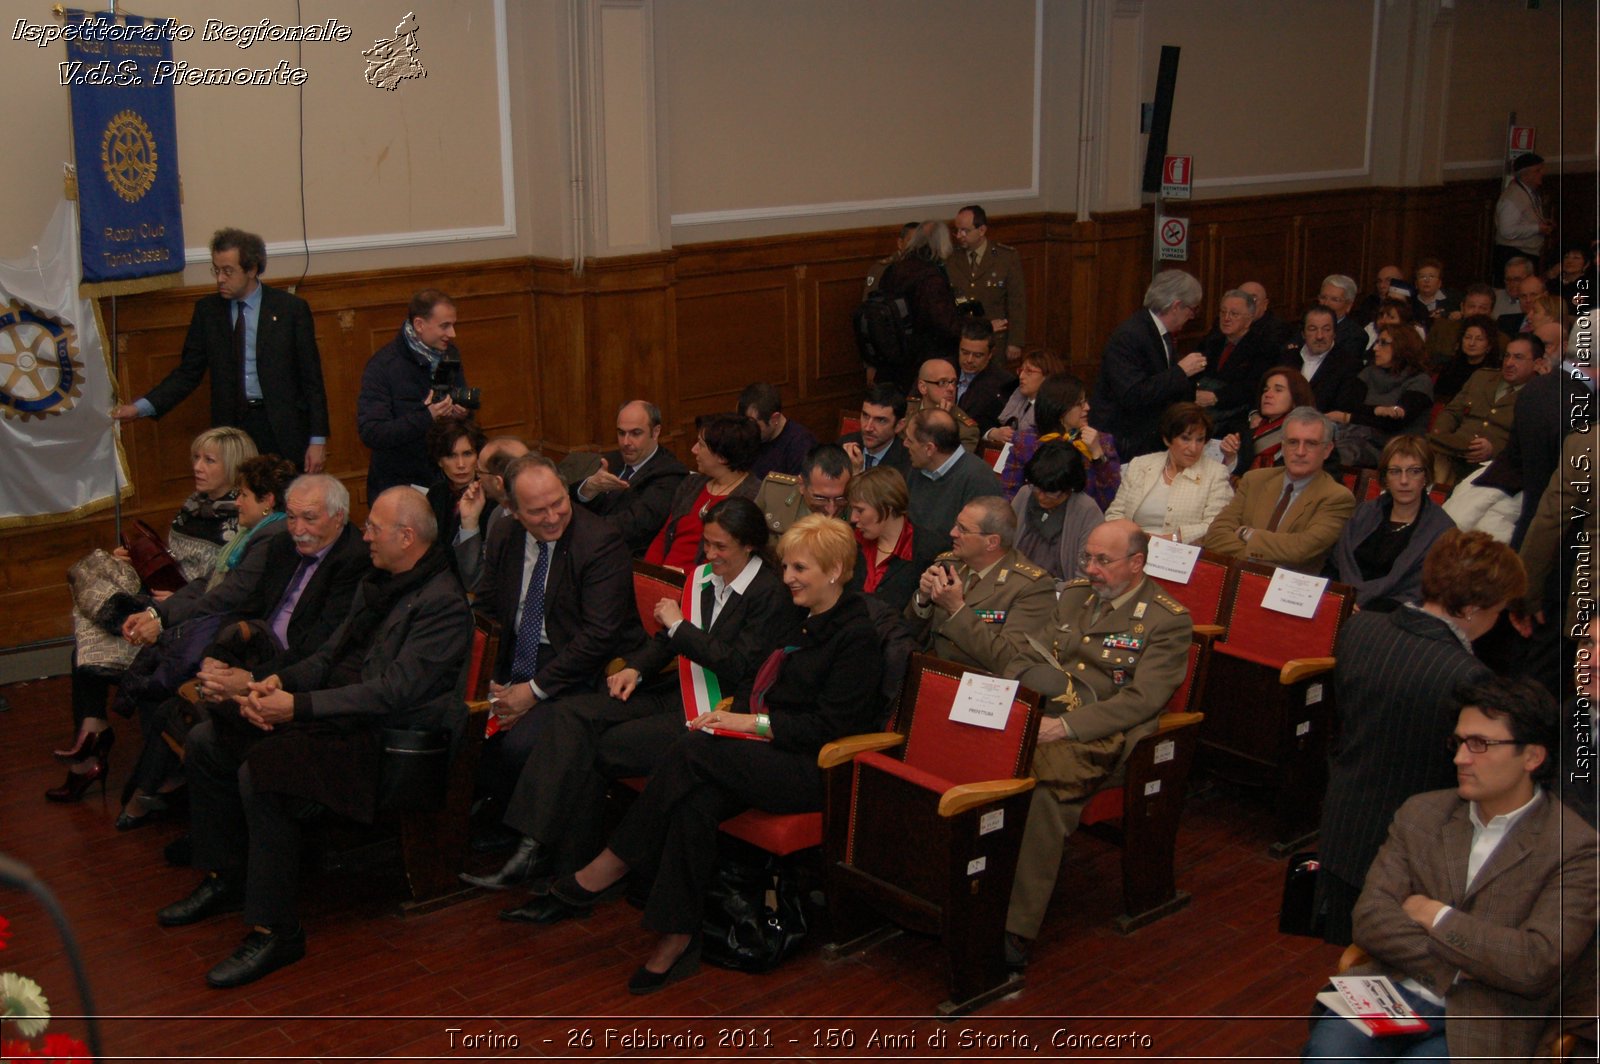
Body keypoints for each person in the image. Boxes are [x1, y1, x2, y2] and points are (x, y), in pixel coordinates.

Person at [542, 515, 883, 993]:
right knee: (694, 799)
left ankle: (614, 862)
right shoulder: (799, 615)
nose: (786, 578)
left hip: (813, 769)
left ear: (835, 571)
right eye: (785, 566)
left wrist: (747, 723)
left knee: (694, 751)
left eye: (799, 569)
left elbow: (829, 730)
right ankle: (677, 939)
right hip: (767, 751)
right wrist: (738, 717)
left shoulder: (855, 637)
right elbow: (758, 681)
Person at [155, 486, 473, 989]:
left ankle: (276, 929)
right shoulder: (380, 580)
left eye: (374, 527)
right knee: (210, 740)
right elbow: (328, 656)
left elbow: (391, 694)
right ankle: (225, 875)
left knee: (266, 774)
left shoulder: (441, 605)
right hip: (331, 714)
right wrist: (277, 683)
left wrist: (295, 708)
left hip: (380, 740)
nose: (364, 534)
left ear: (406, 537)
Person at [467, 497, 801, 905]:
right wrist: (637, 669)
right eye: (707, 545)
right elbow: (667, 641)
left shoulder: (769, 593)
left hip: (717, 709)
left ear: (749, 545)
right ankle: (533, 844)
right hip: (671, 690)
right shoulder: (706, 579)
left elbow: (735, 664)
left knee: (600, 745)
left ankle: (568, 864)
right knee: (572, 714)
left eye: (720, 547)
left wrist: (678, 625)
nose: (709, 555)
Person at [1303, 678, 1595, 1062]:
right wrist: (1462, 967)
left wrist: (1435, 915)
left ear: (1532, 757)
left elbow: (1534, 963)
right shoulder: (1422, 813)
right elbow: (1372, 918)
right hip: (1394, 989)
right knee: (1329, 1053)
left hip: (1489, 1017)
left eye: (1480, 744)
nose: (1460, 758)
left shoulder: (1574, 847)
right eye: (1458, 743)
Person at [114, 473, 373, 830]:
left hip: (294, 674)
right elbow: (244, 603)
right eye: (292, 517)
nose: (298, 528)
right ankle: (163, 804)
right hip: (258, 651)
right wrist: (218, 656)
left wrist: (250, 678)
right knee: (174, 708)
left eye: (310, 518)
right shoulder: (283, 545)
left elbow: (319, 648)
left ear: (339, 517)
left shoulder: (354, 560)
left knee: (205, 727)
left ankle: (172, 810)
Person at [1312, 530, 1524, 945]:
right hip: (1407, 850)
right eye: (1498, 610)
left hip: (1342, 822)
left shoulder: (1361, 629)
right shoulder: (1466, 676)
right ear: (1473, 608)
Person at [1001, 520, 1191, 968]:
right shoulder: (1074, 596)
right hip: (1046, 712)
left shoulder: (1167, 620)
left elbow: (1141, 701)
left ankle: (1013, 927)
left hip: (1104, 736)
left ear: (1137, 563)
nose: (1090, 568)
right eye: (1087, 558)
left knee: (1045, 793)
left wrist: (1064, 728)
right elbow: (1033, 653)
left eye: (1103, 561)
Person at [52, 427, 253, 804]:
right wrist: (135, 560)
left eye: (209, 460)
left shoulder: (239, 520)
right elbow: (175, 563)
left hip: (190, 619)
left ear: (234, 466)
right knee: (92, 572)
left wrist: (173, 600)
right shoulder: (192, 506)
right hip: (160, 602)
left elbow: (220, 588)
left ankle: (93, 745)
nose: (197, 466)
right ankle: (96, 728)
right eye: (196, 458)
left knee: (88, 647)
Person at [475, 455, 642, 808]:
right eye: (538, 511)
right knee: (460, 719)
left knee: (520, 744)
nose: (552, 518)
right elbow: (488, 609)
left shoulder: (600, 542)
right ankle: (491, 815)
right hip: (516, 657)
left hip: (578, 673)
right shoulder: (505, 534)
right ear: (513, 510)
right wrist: (485, 673)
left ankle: (527, 832)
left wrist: (533, 692)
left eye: (559, 503)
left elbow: (598, 637)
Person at [111, 229, 329, 474]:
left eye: (228, 271)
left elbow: (312, 379)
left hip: (282, 428)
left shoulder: (290, 309)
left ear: (252, 269)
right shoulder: (208, 312)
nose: (220, 279)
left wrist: (318, 439)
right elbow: (188, 373)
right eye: (216, 270)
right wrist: (141, 407)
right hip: (231, 431)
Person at [905, 495, 1055, 674]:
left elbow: (1012, 660)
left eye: (963, 529)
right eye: (956, 525)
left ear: (992, 542)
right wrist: (923, 600)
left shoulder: (1030, 586)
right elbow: (910, 635)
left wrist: (957, 609)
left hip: (983, 687)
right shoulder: (948, 564)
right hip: (932, 672)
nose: (952, 532)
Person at [1203, 406, 1355, 573]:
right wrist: (1260, 559)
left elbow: (1300, 550)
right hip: (1236, 577)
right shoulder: (1254, 480)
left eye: (1311, 443)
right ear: (1283, 446)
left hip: (1289, 591)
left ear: (1327, 450)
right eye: (1293, 442)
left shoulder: (1337, 497)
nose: (1300, 451)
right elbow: (1216, 535)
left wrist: (1247, 534)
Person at [357, 289, 471, 500]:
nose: (453, 333)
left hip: (444, 484)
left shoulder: (450, 354)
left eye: (454, 325)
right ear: (419, 325)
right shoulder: (382, 367)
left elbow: (464, 396)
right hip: (399, 487)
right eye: (445, 326)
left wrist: (464, 410)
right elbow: (372, 432)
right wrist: (426, 416)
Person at [1326, 436, 1456, 608]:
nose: (1404, 481)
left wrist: (1360, 607)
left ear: (1426, 476)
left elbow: (1423, 593)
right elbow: (1336, 564)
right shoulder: (1365, 512)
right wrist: (1342, 599)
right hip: (1342, 603)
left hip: (1394, 618)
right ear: (1385, 478)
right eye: (1395, 471)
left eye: (1414, 471)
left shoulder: (1442, 530)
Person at [1090, 270, 1204, 459]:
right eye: (1192, 309)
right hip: (1125, 441)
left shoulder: (1160, 333)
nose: (1191, 316)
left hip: (1147, 438)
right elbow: (1133, 394)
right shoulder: (1130, 335)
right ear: (1176, 306)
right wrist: (1181, 372)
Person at [568, 400, 689, 556]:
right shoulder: (613, 460)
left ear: (656, 431)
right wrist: (588, 488)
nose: (625, 442)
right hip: (592, 547)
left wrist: (579, 528)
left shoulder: (670, 473)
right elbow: (572, 500)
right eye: (621, 433)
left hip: (626, 556)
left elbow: (635, 524)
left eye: (635, 433)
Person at [643, 414, 762, 569]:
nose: (694, 450)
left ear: (721, 457)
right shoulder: (692, 484)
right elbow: (664, 535)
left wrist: (685, 579)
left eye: (701, 444)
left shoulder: (752, 496)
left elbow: (730, 560)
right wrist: (649, 573)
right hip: (666, 579)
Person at [1105, 402, 1233, 544]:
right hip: (1132, 546)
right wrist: (1135, 540)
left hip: (1183, 552)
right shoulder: (1140, 464)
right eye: (1185, 438)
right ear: (1167, 439)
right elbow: (1114, 513)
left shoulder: (1216, 473)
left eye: (1200, 439)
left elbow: (1216, 525)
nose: (1194, 448)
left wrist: (1170, 539)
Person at [1428, 333, 1537, 487]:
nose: (1509, 363)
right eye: (1507, 356)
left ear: (1537, 364)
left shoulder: (1538, 395)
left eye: (1518, 357)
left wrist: (1494, 449)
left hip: (1493, 466)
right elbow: (1451, 412)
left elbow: (1530, 443)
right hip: (1451, 452)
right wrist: (1442, 437)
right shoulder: (1481, 378)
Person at [1000, 373, 1122, 508]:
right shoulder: (1026, 442)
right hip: (1035, 520)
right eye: (1080, 404)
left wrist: (1098, 456)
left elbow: (1111, 499)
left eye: (1086, 401)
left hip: (1084, 521)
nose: (1088, 408)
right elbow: (1010, 493)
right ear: (1059, 408)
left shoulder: (1102, 441)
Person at [903, 408, 1004, 570]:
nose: (904, 444)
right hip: (912, 563)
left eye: (910, 440)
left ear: (929, 449)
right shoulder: (916, 467)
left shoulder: (979, 480)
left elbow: (980, 551)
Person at [871, 220, 962, 391]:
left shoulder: (893, 270)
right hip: (923, 362)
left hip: (892, 358)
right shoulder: (931, 278)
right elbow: (944, 323)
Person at [1330, 324, 1434, 469]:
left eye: (1383, 343)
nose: (1375, 348)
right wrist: (1377, 410)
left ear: (1403, 346)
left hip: (1395, 447)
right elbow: (1347, 404)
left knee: (1337, 450)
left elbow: (1393, 422)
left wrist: (1348, 417)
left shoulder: (1419, 380)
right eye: (1377, 342)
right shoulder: (1369, 372)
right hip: (1358, 436)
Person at [1010, 441, 1105, 587]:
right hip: (1012, 584)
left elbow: (1084, 580)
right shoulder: (1025, 494)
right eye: (1036, 488)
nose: (1041, 497)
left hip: (1057, 594)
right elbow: (1003, 548)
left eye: (1051, 492)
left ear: (1070, 487)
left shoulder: (1087, 511)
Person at [1194, 288, 1282, 437]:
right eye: (1223, 312)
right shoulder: (1212, 341)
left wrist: (1216, 397)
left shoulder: (1263, 347)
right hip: (1201, 411)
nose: (1226, 318)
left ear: (1249, 319)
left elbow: (1254, 386)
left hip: (1235, 414)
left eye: (1234, 314)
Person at [947, 205, 1028, 363]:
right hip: (963, 340)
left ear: (982, 230)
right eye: (956, 230)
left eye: (965, 230)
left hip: (994, 341)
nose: (959, 235)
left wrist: (1015, 342)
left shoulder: (1004, 257)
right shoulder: (951, 258)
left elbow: (1016, 302)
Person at [454, 436, 529, 588]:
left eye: (480, 471)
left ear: (497, 482)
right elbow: (477, 581)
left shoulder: (537, 520)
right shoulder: (497, 514)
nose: (477, 478)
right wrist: (469, 522)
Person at [844, 466, 918, 610]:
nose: (853, 518)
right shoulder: (846, 539)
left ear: (887, 507)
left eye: (860, 510)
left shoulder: (927, 551)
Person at [1219, 367, 1317, 473]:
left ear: (1296, 397)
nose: (1267, 395)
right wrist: (1231, 457)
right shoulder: (1248, 434)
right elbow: (1237, 475)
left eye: (1278, 390)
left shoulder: (1313, 434)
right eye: (1265, 390)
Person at [423, 417, 487, 571]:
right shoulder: (436, 494)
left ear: (478, 456)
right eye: (451, 456)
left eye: (467, 454)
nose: (460, 465)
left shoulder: (488, 497)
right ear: (439, 461)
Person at [752, 443, 852, 539]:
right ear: (802, 485)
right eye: (820, 498)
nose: (831, 510)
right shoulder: (773, 492)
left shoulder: (856, 507)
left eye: (840, 498)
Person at [740, 382, 818, 480]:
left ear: (774, 419)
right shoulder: (750, 436)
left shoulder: (801, 444)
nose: (748, 430)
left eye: (754, 424)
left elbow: (798, 491)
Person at [986, 350, 1064, 448]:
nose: (1021, 376)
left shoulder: (1055, 409)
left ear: (1047, 376)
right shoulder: (1011, 397)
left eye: (1029, 371)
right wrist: (993, 433)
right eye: (1020, 370)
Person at [953, 320, 1018, 436]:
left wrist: (990, 433)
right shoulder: (940, 368)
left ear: (990, 354)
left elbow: (1003, 425)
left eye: (977, 355)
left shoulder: (1004, 382)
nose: (969, 360)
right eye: (964, 352)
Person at [1294, 305, 1363, 416]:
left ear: (1334, 333)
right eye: (1313, 329)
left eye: (1326, 329)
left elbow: (1342, 409)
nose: (1320, 336)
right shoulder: (1288, 358)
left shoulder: (1349, 364)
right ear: (1303, 334)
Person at [905, 357, 982, 454]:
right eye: (942, 382)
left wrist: (941, 425)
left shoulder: (966, 430)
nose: (951, 388)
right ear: (923, 387)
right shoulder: (907, 408)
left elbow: (952, 466)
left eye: (953, 382)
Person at [1493, 151, 1551, 277]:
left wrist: (1543, 223)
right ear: (1526, 174)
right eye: (1538, 171)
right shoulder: (1512, 197)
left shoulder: (1530, 192)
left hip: (1526, 253)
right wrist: (1537, 228)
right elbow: (1507, 230)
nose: (1542, 174)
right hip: (1513, 255)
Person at [1424, 284, 1498, 378]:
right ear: (1462, 307)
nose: (1476, 312)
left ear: (1491, 311)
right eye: (1471, 306)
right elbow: (1425, 360)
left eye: (1483, 308)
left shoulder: (1500, 338)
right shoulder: (1441, 328)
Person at [838, 383, 911, 474]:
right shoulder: (843, 445)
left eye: (881, 420)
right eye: (865, 416)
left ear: (899, 425)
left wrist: (858, 474)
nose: (868, 428)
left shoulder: (909, 462)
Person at [1431, 312, 1503, 404]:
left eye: (1479, 339)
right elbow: (1439, 399)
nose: (1471, 343)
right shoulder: (1450, 367)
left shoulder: (1497, 371)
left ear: (1489, 344)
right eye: (1468, 337)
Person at [862, 221, 919, 298]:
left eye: (921, 242)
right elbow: (870, 302)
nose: (917, 247)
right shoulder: (881, 269)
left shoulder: (929, 267)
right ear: (900, 243)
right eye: (911, 242)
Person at [1317, 274, 1367, 359]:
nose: (1326, 304)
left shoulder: (1356, 336)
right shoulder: (1308, 326)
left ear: (1349, 306)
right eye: (1323, 297)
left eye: (1334, 299)